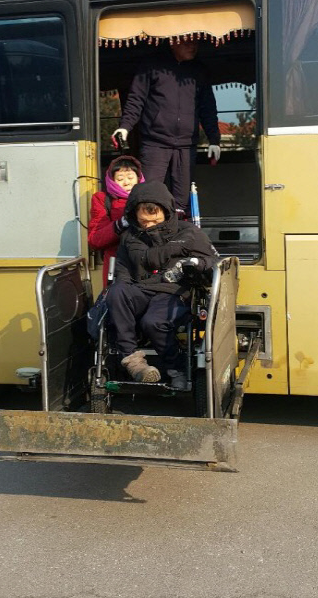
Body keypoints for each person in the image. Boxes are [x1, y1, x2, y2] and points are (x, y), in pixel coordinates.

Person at [107, 180, 219, 388]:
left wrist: (195, 263)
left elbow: (213, 261)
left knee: (153, 322)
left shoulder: (188, 232)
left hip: (172, 291)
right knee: (116, 292)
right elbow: (122, 272)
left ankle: (175, 368)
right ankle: (133, 361)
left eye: (155, 220)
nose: (150, 225)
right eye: (144, 221)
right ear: (135, 215)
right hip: (140, 290)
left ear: (166, 212)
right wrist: (124, 294)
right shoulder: (129, 237)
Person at [111, 39, 221, 214]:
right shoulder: (152, 65)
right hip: (155, 142)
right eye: (187, 43)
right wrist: (125, 127)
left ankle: (178, 238)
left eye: (195, 44)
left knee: (182, 201)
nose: (192, 47)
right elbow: (136, 99)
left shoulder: (199, 71)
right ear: (173, 43)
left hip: (186, 145)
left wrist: (214, 139)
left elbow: (208, 108)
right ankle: (150, 238)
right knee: (149, 194)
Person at [88, 155, 144, 287]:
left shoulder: (150, 196)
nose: (127, 182)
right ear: (112, 181)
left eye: (130, 177)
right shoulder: (102, 199)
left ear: (139, 178)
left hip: (146, 262)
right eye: (120, 179)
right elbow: (95, 240)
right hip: (116, 265)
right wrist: (121, 223)